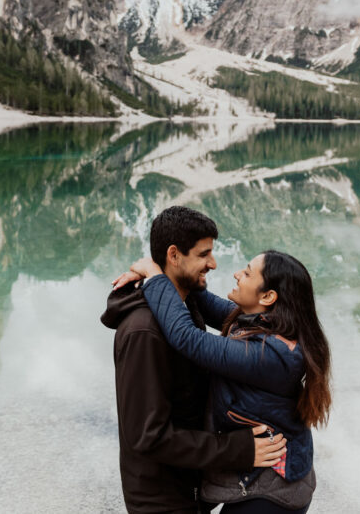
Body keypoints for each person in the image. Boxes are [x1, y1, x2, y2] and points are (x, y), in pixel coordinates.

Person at [101, 206, 288, 514]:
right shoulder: (144, 331)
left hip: (190, 487)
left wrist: (154, 273)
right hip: (162, 502)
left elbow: (240, 320)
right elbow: (149, 437)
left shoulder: (185, 307)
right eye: (204, 255)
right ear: (174, 255)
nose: (213, 264)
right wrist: (238, 449)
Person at [115, 249, 332, 513]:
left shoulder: (268, 355)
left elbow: (187, 337)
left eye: (248, 272)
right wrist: (172, 272)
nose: (237, 274)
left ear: (267, 296)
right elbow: (205, 302)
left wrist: (154, 275)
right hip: (259, 479)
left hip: (271, 493)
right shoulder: (263, 322)